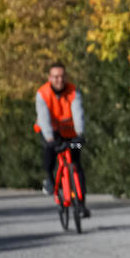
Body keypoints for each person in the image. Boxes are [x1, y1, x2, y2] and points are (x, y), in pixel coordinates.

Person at [35, 61, 90, 216]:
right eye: (55, 76)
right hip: (50, 133)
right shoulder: (42, 94)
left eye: (62, 76)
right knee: (49, 151)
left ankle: (81, 204)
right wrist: (50, 139)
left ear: (66, 77)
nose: (59, 80)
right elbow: (44, 119)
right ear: (49, 78)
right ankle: (50, 179)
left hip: (71, 133)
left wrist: (80, 134)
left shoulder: (73, 92)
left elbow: (78, 114)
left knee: (77, 163)